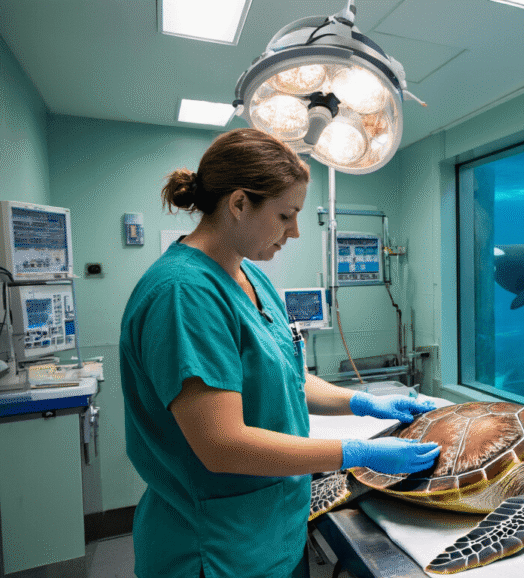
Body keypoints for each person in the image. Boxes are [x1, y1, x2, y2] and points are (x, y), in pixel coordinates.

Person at [119, 128, 440, 578]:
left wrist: (362, 403)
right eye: (286, 214)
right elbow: (223, 445)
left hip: (274, 534)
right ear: (238, 203)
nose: (295, 231)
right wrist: (354, 452)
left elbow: (284, 372)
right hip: (215, 549)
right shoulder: (183, 294)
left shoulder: (250, 276)